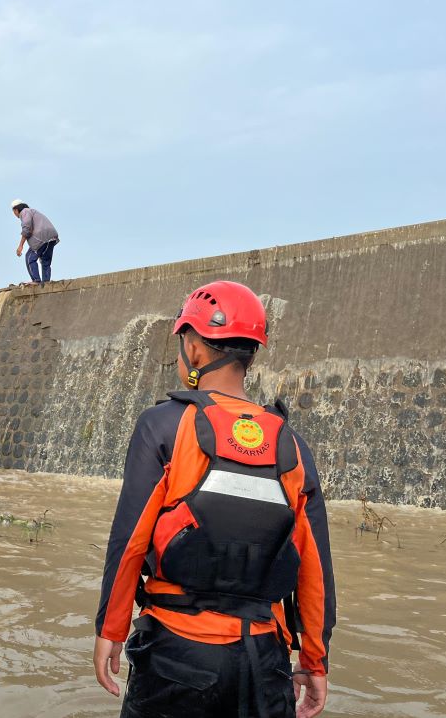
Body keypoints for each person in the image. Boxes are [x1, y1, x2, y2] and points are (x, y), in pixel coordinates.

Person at [93, 280, 336, 718]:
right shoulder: (292, 444)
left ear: (195, 348)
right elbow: (315, 567)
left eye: (184, 341)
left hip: (175, 655)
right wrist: (315, 660)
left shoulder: (163, 425)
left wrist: (109, 628)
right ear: (250, 353)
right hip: (264, 662)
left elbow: (130, 541)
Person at [11, 199, 59, 285]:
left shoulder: (24, 212)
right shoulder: (33, 211)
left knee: (30, 257)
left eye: (13, 212)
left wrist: (20, 246)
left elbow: (27, 228)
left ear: (15, 210)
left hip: (41, 237)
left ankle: (36, 280)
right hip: (52, 237)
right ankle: (46, 283)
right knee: (45, 260)